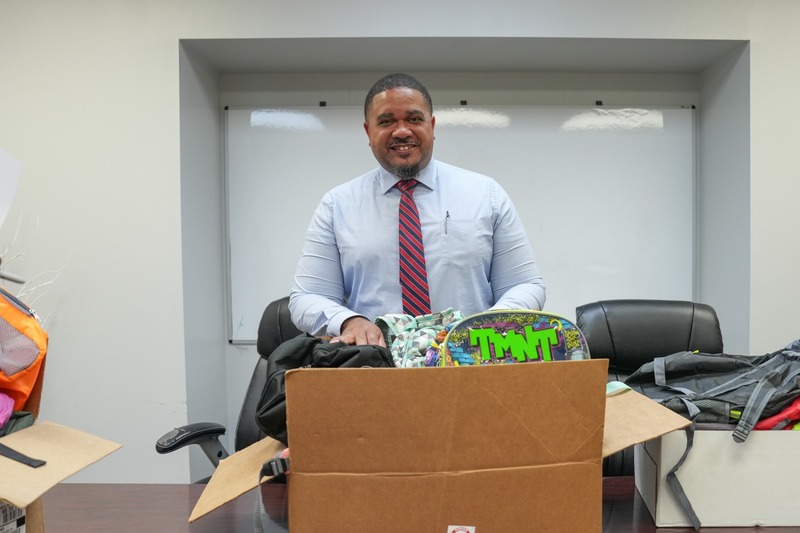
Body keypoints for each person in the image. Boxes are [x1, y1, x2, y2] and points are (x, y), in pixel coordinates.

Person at [289, 73, 545, 346]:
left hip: (468, 364)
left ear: (432, 126)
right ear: (368, 132)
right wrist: (349, 321)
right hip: (375, 368)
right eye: (386, 121)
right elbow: (306, 298)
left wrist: (486, 327)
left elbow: (525, 285)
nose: (401, 131)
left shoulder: (486, 194)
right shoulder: (337, 205)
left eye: (414, 119)